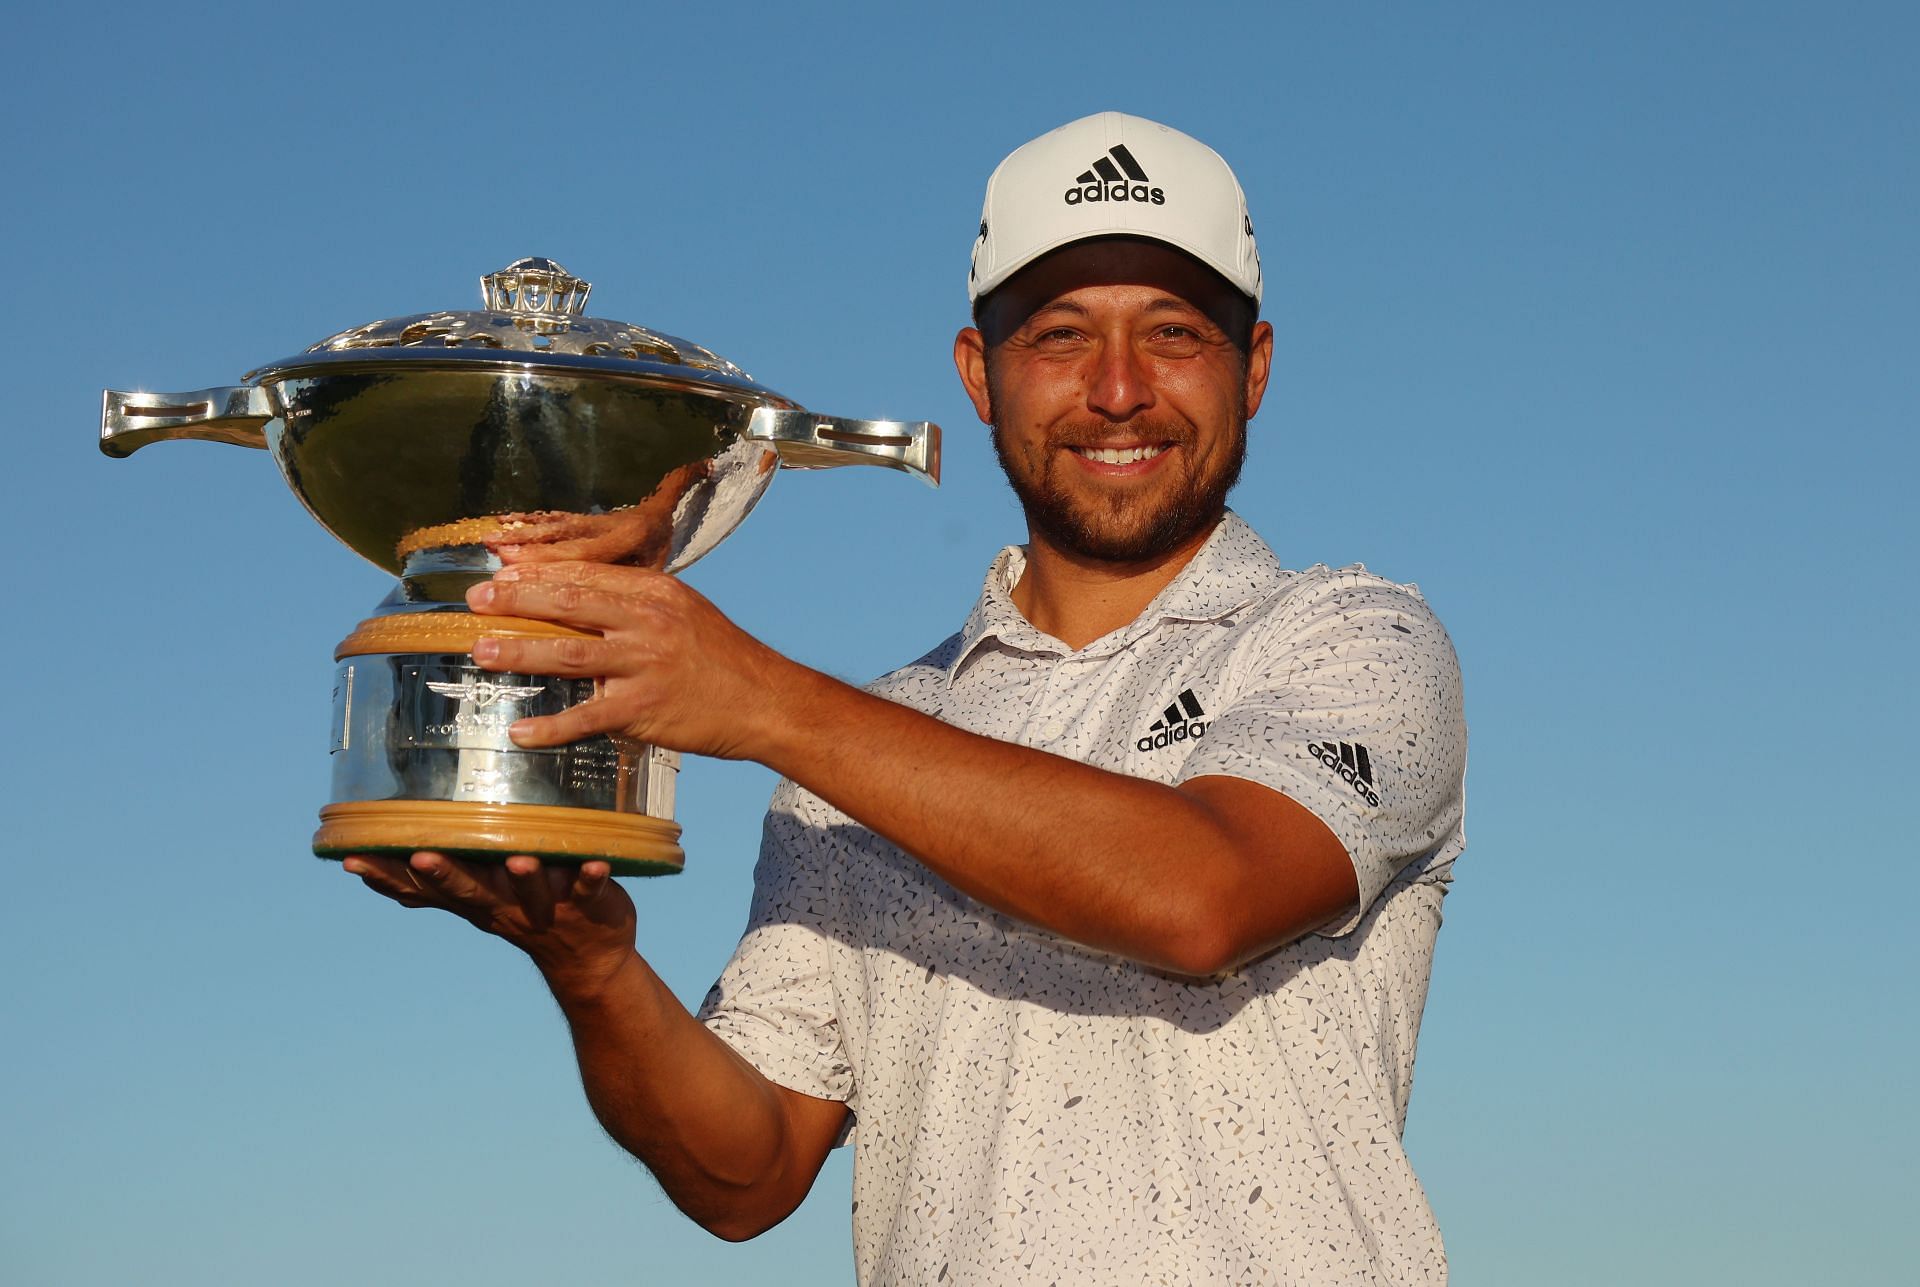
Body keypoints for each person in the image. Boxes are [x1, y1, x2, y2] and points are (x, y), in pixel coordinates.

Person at [345, 111, 1468, 1284]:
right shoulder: (864, 748)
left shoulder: (1354, 635)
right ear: (980, 378)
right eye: (1061, 336)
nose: (1120, 390)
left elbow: (1206, 897)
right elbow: (751, 1171)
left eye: (1176, 333)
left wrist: (768, 702)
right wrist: (590, 970)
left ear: (1258, 367)